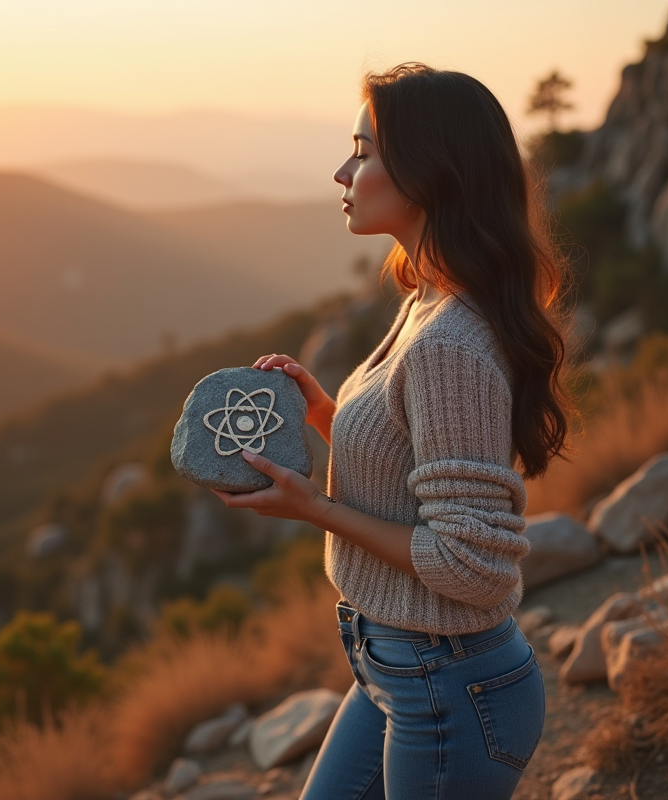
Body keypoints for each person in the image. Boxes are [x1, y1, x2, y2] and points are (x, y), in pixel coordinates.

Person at [210, 63, 576, 799]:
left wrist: (314, 509)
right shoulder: (427, 300)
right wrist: (324, 413)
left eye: (364, 152)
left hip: (449, 683)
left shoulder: (449, 344)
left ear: (428, 171)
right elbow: (416, 461)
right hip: (399, 665)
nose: (343, 172)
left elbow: (470, 565)